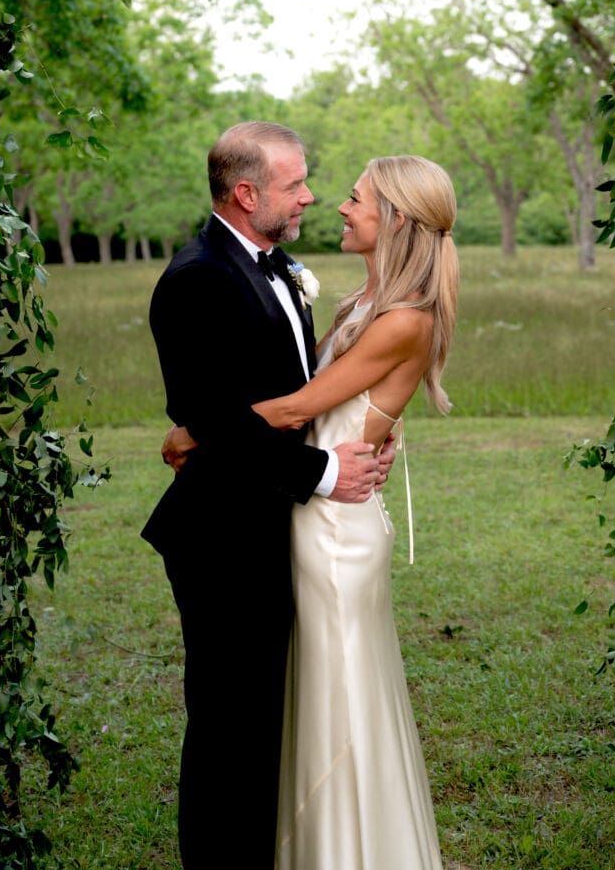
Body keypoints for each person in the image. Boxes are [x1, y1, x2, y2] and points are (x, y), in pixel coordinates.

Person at [141, 121, 391, 870]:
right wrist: (320, 475)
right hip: (221, 538)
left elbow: (280, 394)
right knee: (228, 729)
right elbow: (212, 415)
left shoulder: (275, 266)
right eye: (295, 184)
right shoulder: (199, 277)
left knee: (261, 722)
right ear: (246, 193)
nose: (311, 194)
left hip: (268, 525)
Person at [249, 154, 459, 869]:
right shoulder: (364, 305)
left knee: (342, 700)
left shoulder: (403, 319)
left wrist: (195, 433)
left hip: (337, 531)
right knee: (322, 695)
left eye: (354, 198)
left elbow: (302, 407)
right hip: (320, 505)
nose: (339, 207)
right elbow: (332, 406)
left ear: (394, 219)